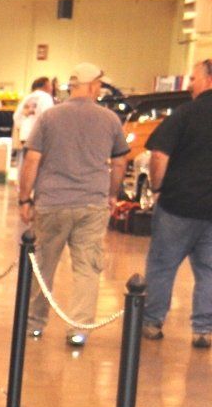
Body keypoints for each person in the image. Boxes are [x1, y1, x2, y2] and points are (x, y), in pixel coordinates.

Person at [17, 62, 129, 347]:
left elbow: (32, 160)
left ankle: (34, 324)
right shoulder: (110, 120)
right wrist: (113, 194)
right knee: (87, 269)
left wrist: (25, 198)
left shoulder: (50, 117)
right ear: (92, 86)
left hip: (52, 202)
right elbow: (119, 161)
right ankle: (78, 329)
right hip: (92, 204)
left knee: (43, 264)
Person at [140, 59, 212, 346]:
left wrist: (157, 188)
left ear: (208, 80)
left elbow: (159, 154)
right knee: (208, 270)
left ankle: (152, 322)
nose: (190, 84)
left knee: (162, 265)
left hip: (178, 205)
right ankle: (203, 329)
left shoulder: (186, 114)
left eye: (193, 79)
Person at [14, 76, 54, 155]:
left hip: (25, 136)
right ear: (46, 85)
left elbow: (16, 117)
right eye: (50, 85)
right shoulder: (46, 97)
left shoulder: (26, 98)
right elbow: (48, 116)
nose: (52, 88)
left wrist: (23, 127)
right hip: (39, 137)